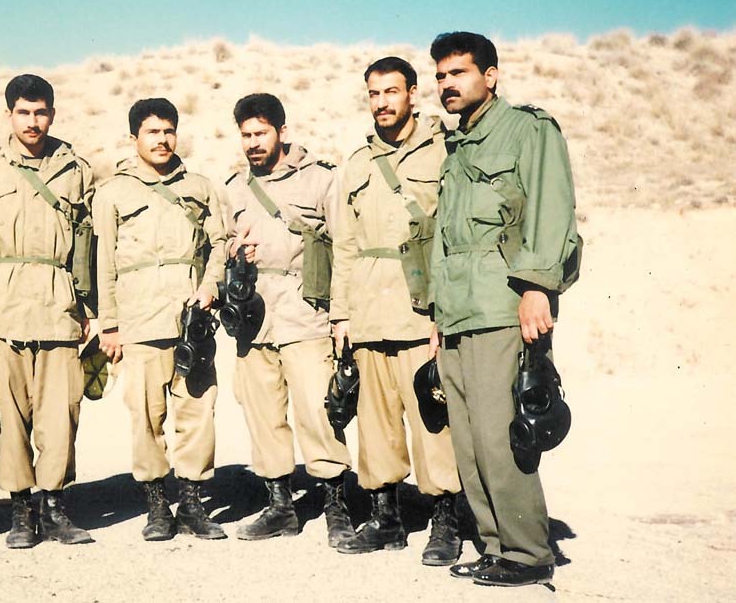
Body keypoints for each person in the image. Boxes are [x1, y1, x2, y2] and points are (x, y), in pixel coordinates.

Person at [428, 32, 581, 587]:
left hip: (502, 304)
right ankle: (495, 546)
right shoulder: (457, 146)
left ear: (490, 75)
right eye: (440, 76)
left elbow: (551, 210)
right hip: (457, 310)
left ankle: (528, 552)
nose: (447, 84)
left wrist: (538, 288)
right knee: (469, 440)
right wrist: (437, 314)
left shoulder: (527, 130)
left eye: (459, 73)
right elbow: (445, 239)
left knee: (501, 435)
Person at [330, 57, 462, 564]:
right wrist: (341, 314)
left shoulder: (443, 151)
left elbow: (453, 236)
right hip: (368, 311)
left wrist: (444, 314)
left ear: (412, 94)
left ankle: (445, 522)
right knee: (375, 424)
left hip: (419, 310)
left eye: (391, 91)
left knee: (433, 422)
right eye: (374, 93)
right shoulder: (356, 163)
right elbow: (344, 245)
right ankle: (386, 519)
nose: (382, 102)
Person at [0, 74, 95, 548]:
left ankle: (55, 506)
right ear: (9, 115)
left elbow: (87, 242)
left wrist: (89, 307)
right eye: (23, 112)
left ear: (52, 115)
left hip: (59, 301)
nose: (32, 121)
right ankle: (21, 509)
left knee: (61, 412)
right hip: (4, 302)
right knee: (12, 412)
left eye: (40, 112)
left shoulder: (75, 169)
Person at [94, 98, 227, 542]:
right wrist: (110, 324)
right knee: (146, 416)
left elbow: (219, 244)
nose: (163, 139)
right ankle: (156, 504)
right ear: (134, 137)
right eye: (152, 131)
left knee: (197, 411)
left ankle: (191, 502)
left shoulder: (200, 187)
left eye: (169, 130)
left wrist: (210, 286)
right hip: (139, 320)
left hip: (191, 320)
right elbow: (103, 262)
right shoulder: (113, 192)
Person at [222, 93, 353, 546]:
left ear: (282, 132)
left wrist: (341, 314)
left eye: (261, 133)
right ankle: (280, 506)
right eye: (246, 135)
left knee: (318, 411)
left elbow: (345, 248)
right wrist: (235, 252)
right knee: (263, 413)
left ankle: (336, 505)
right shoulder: (235, 188)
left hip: (305, 311)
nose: (253, 143)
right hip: (255, 316)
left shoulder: (320, 179)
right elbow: (221, 244)